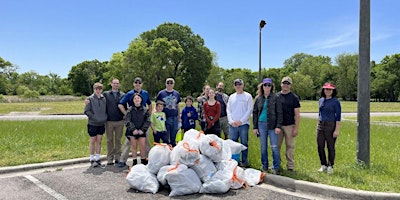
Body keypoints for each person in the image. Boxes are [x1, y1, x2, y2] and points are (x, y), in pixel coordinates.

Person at [117, 77, 152, 167]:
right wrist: (126, 114)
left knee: (145, 142)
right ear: (133, 84)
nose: (137, 84)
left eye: (139, 83)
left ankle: (148, 159)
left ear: (141, 84)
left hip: (143, 121)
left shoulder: (145, 93)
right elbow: (120, 104)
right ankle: (123, 159)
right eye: (136, 82)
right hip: (132, 122)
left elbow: (150, 104)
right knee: (128, 143)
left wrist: (148, 114)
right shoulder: (129, 94)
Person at [252, 78, 283, 174]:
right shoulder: (258, 98)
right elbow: (255, 113)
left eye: (269, 85)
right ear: (262, 86)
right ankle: (264, 166)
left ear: (271, 86)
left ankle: (276, 167)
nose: (267, 87)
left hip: (273, 125)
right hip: (261, 124)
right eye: (265, 85)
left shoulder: (276, 97)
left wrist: (278, 126)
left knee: (274, 146)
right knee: (263, 147)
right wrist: (255, 127)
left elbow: (279, 112)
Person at [227, 79, 253, 168]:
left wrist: (241, 121)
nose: (238, 86)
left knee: (244, 143)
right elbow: (228, 110)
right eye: (236, 84)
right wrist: (231, 121)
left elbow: (249, 110)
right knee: (233, 144)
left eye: (239, 84)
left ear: (243, 85)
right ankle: (234, 163)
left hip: (244, 125)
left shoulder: (248, 96)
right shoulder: (231, 97)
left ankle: (244, 162)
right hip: (232, 125)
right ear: (234, 86)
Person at [277, 76, 300, 172]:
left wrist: (296, 128)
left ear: (290, 85)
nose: (285, 85)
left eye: (288, 84)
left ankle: (290, 167)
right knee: (276, 146)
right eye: (284, 83)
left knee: (290, 146)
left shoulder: (294, 97)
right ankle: (277, 164)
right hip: (278, 126)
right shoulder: (276, 96)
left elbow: (297, 114)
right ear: (281, 84)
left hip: (289, 125)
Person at [317, 82, 341, 174]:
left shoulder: (335, 102)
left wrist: (337, 130)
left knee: (330, 146)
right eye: (326, 89)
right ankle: (323, 165)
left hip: (331, 125)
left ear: (333, 91)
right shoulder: (321, 100)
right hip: (321, 124)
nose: (328, 91)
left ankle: (331, 165)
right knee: (320, 145)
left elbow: (338, 116)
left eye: (330, 89)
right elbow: (320, 113)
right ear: (323, 90)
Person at [84, 82, 107, 167]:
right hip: (93, 124)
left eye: (100, 89)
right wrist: (94, 117)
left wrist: (104, 117)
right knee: (92, 141)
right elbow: (86, 111)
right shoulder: (89, 99)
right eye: (96, 89)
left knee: (99, 141)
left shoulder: (104, 98)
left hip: (101, 124)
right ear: (94, 89)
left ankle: (97, 158)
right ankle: (91, 158)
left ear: (102, 90)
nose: (98, 91)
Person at [125, 93, 150, 166]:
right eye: (135, 98)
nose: (137, 100)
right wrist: (133, 129)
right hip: (133, 131)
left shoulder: (145, 109)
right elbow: (127, 121)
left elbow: (147, 121)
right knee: (134, 146)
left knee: (142, 146)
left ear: (141, 99)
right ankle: (134, 161)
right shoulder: (130, 109)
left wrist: (143, 130)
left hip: (142, 131)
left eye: (138, 98)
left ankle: (143, 160)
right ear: (133, 100)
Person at [156, 78, 181, 147]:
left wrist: (179, 117)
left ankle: (173, 152)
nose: (169, 84)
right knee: (165, 138)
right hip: (165, 118)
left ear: (173, 84)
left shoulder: (176, 93)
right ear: (165, 84)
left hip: (175, 118)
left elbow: (178, 106)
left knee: (174, 137)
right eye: (168, 83)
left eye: (171, 83)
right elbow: (157, 105)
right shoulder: (161, 93)